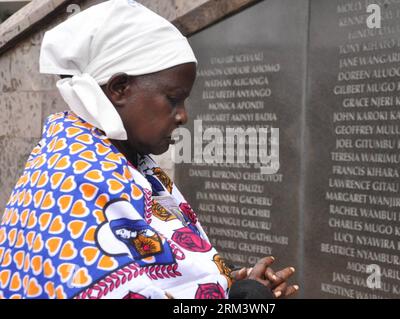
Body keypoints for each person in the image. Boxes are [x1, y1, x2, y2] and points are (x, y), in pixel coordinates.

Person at [0, 0, 298, 299]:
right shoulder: (74, 184)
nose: (183, 116)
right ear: (119, 89)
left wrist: (226, 282)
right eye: (173, 98)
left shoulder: (119, 161)